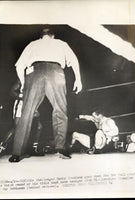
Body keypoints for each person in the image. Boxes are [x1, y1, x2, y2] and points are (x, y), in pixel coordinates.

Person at [9, 27, 82, 162]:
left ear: (41, 37)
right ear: (52, 36)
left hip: (34, 72)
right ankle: (61, 148)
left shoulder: (32, 44)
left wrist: (24, 83)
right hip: (56, 72)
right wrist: (78, 79)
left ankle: (16, 153)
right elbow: (74, 60)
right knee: (60, 109)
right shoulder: (61, 43)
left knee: (26, 112)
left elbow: (19, 66)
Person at [0, 80, 44, 159]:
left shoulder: (39, 78)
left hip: (33, 105)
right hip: (21, 105)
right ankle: (1, 149)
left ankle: (34, 149)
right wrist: (25, 97)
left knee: (39, 126)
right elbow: (12, 92)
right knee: (17, 128)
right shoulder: (23, 78)